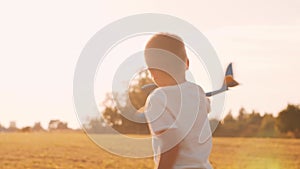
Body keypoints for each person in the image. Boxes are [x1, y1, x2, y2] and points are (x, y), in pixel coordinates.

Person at [144, 33, 213, 169]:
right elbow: (207, 106)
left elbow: (171, 145)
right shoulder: (198, 92)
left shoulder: (157, 99)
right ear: (187, 63)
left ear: (152, 72)